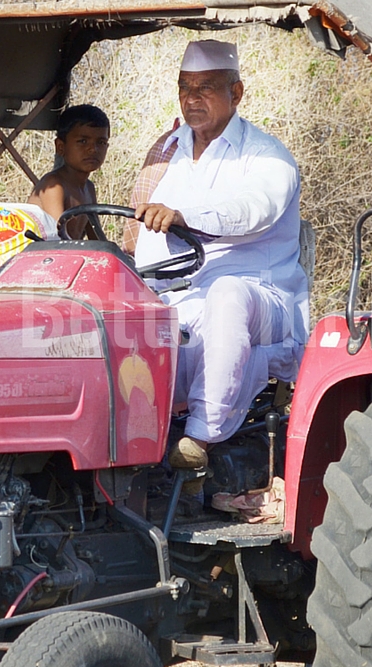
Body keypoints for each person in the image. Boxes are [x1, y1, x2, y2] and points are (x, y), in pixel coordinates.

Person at [130, 40, 310, 476]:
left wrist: (184, 217)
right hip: (174, 300)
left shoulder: (267, 156)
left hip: (263, 302)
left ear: (237, 93)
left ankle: (198, 439)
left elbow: (252, 211)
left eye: (206, 88)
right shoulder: (166, 151)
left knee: (228, 294)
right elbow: (134, 226)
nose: (192, 98)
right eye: (185, 88)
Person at [29, 104, 110, 239]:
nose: (93, 149)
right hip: (49, 257)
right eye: (83, 141)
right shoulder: (54, 186)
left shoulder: (89, 188)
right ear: (60, 147)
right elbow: (58, 238)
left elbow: (96, 238)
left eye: (101, 142)